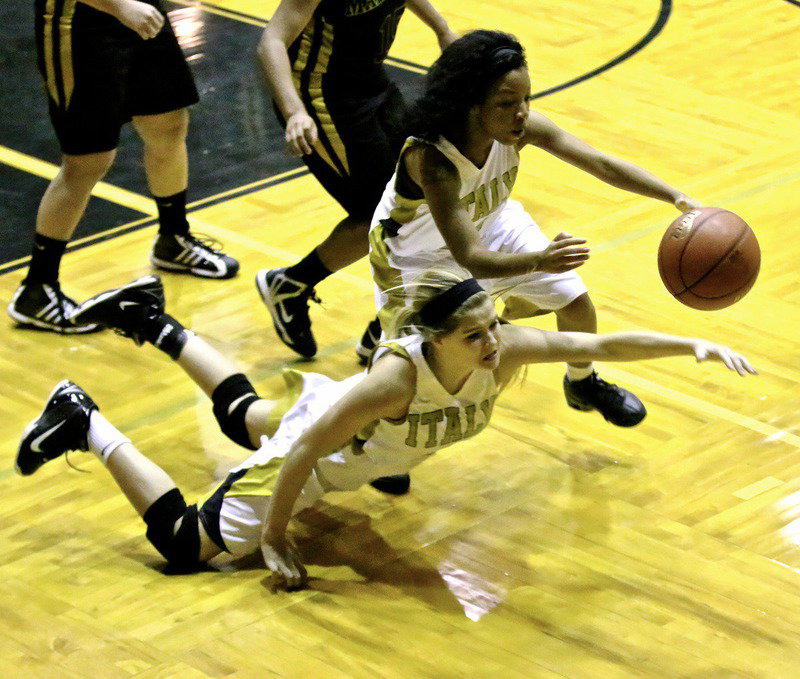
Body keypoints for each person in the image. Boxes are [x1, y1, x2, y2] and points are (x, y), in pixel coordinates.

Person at [16, 272, 754, 588]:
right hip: (324, 447)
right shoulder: (397, 379)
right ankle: (84, 420)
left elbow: (597, 345)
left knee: (244, 419)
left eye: (493, 327)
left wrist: (691, 343)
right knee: (187, 545)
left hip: (339, 431)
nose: (494, 344)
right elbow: (304, 450)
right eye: (476, 336)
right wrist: (274, 534)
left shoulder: (505, 349)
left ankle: (152, 319)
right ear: (434, 342)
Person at [369, 29, 705, 430]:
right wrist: (541, 260)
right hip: (417, 260)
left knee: (575, 302)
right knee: (417, 373)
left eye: (526, 99)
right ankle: (370, 431)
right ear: (472, 106)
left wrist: (677, 197)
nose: (522, 112)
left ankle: (582, 383)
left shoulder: (519, 128)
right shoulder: (432, 159)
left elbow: (600, 163)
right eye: (507, 103)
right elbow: (470, 258)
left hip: (491, 222)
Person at [7, 0, 238, 335]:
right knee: (88, 160)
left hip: (140, 8)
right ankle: (36, 290)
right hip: (79, 21)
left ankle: (173, 239)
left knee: (169, 123)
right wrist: (117, 6)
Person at [254, 0, 457, 360]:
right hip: (321, 98)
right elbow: (271, 42)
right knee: (380, 215)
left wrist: (442, 30)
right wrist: (294, 112)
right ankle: (295, 287)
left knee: (422, 192)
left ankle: (373, 315)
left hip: (372, 83)